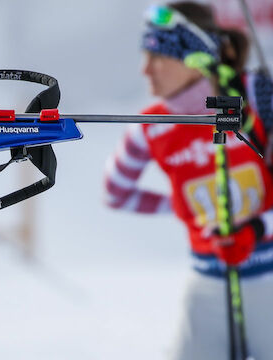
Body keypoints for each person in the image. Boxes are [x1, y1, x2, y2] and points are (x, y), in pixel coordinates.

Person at [103, 2, 273, 359]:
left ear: (195, 58)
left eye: (158, 57)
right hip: (207, 282)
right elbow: (116, 193)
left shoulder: (255, 98)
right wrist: (186, 210)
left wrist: (254, 229)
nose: (145, 70)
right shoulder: (150, 125)